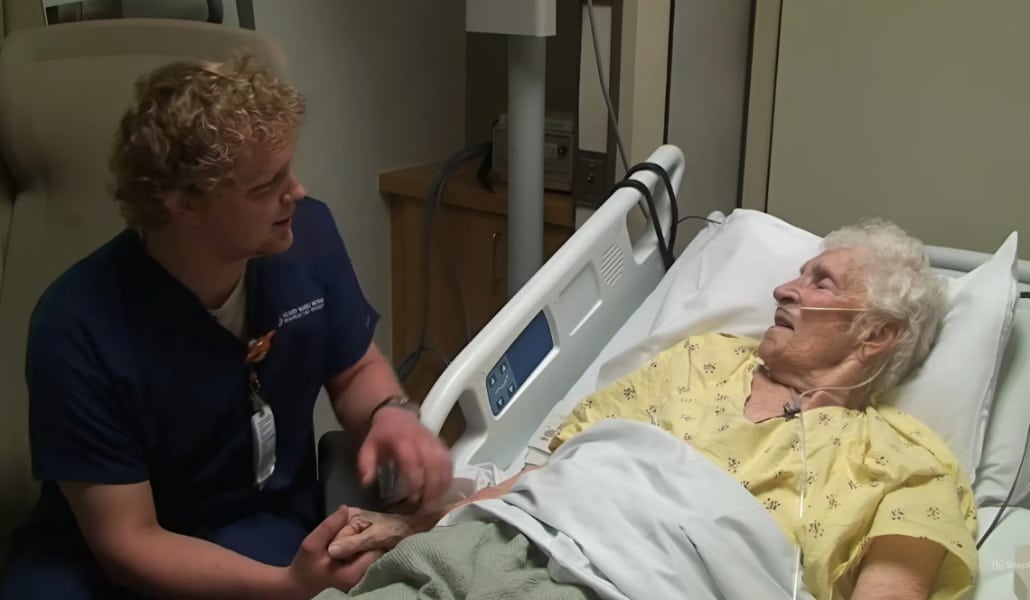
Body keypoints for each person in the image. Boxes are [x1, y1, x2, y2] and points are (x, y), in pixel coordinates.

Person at [310, 219, 978, 600]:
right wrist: (420, 526)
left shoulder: (908, 462)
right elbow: (560, 475)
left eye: (819, 281)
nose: (785, 286)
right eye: (799, 271)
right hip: (488, 550)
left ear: (876, 334)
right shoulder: (703, 360)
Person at [0, 54, 452, 600]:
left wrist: (391, 416)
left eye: (290, 169)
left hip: (257, 524)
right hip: (101, 560)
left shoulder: (307, 237)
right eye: (268, 185)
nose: (298, 192)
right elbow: (128, 542)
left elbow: (355, 368)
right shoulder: (77, 327)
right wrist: (284, 587)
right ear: (185, 205)